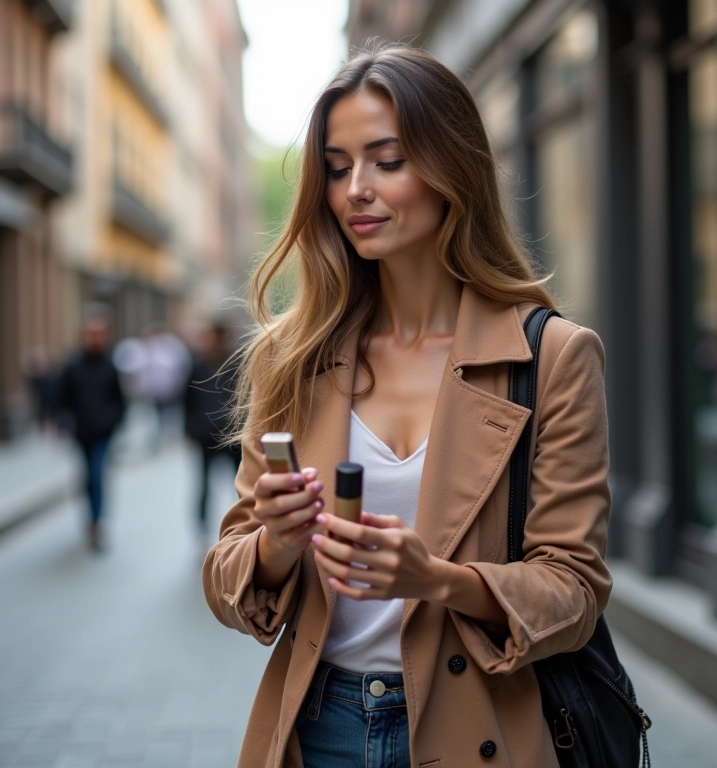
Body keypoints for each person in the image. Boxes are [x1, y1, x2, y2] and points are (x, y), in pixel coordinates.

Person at [203, 46, 611, 768]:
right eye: (336, 166)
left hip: (481, 728)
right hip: (316, 728)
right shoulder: (290, 358)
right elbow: (230, 577)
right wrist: (275, 543)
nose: (355, 188)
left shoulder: (551, 356)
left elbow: (574, 591)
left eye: (387, 160)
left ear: (451, 168)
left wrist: (436, 580)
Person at [58, 308, 126, 551]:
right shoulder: (73, 365)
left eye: (99, 334)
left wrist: (113, 422)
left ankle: (97, 525)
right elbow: (63, 398)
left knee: (97, 475)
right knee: (87, 478)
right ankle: (90, 519)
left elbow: (120, 400)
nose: (94, 338)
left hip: (103, 433)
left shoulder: (109, 365)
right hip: (81, 432)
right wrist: (63, 421)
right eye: (90, 334)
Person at [184, 322, 242, 546]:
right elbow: (187, 399)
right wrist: (189, 429)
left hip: (232, 437)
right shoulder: (197, 366)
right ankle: (202, 534)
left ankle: (240, 532)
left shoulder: (236, 364)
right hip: (205, 436)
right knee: (203, 486)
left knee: (239, 486)